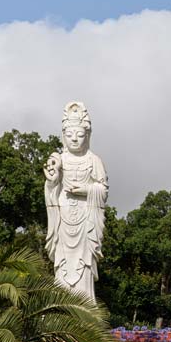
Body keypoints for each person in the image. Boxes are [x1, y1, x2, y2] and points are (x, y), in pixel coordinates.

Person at [44, 101, 108, 301]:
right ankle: (60, 311)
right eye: (70, 134)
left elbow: (102, 189)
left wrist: (86, 191)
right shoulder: (59, 159)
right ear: (63, 135)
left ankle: (85, 308)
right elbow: (51, 190)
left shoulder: (93, 160)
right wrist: (52, 182)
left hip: (86, 220)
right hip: (63, 220)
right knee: (63, 265)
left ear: (87, 136)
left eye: (80, 135)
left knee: (85, 264)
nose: (74, 139)